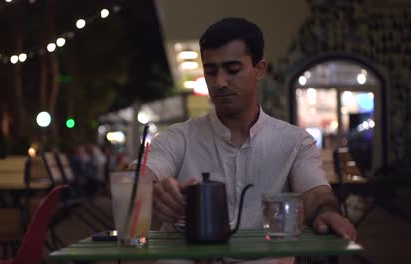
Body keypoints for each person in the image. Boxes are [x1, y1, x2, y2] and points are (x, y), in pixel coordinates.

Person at [140, 17, 356, 263]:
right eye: (211, 71)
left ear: (259, 69)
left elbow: (316, 194)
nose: (220, 82)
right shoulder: (178, 138)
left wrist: (327, 212)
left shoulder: (295, 142)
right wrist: (153, 191)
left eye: (232, 70)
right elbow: (140, 176)